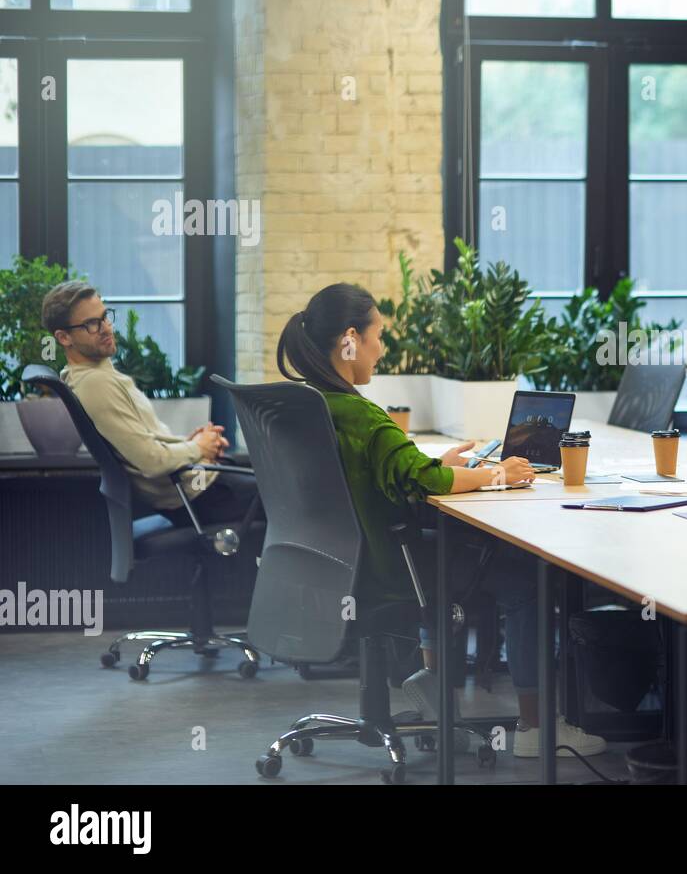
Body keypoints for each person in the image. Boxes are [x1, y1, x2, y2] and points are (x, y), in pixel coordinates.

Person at [276, 283, 605, 758]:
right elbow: (424, 479)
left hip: (333, 568)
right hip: (386, 572)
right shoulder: (363, 416)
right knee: (526, 577)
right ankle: (537, 729)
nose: (381, 348)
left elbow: (399, 474)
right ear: (350, 339)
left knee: (437, 550)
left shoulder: (309, 406)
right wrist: (497, 474)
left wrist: (444, 465)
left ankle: (434, 691)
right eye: (378, 336)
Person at [43, 280, 258, 527]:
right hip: (196, 498)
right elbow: (151, 461)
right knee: (293, 500)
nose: (106, 329)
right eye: (92, 324)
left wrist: (192, 443)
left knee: (279, 489)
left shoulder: (95, 374)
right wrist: (199, 448)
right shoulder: (95, 384)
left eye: (105, 317)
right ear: (64, 337)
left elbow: (145, 442)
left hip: (197, 486)